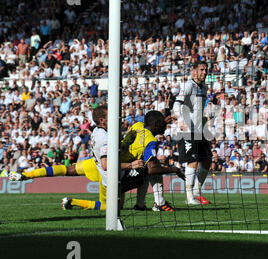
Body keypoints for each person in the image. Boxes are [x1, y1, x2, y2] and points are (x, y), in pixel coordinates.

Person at [9, 106, 144, 210]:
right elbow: (106, 165)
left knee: (68, 169)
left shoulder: (98, 130)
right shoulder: (105, 139)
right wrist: (131, 165)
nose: (116, 118)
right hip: (107, 174)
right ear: (102, 121)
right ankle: (72, 201)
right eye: (111, 116)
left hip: (93, 163)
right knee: (112, 208)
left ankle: (26, 175)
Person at [119, 110, 185, 211]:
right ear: (156, 124)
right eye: (162, 124)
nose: (165, 126)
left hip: (118, 167)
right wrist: (175, 169)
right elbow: (152, 169)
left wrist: (164, 121)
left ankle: (140, 205)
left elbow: (151, 125)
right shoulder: (151, 140)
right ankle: (160, 203)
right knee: (154, 167)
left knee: (145, 166)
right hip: (122, 177)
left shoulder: (137, 125)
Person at [173, 60, 212, 205]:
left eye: (206, 70)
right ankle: (189, 197)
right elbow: (177, 104)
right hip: (187, 130)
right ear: (194, 71)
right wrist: (180, 121)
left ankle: (196, 190)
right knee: (193, 161)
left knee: (207, 160)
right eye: (201, 69)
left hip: (199, 129)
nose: (204, 72)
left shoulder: (204, 87)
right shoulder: (188, 85)